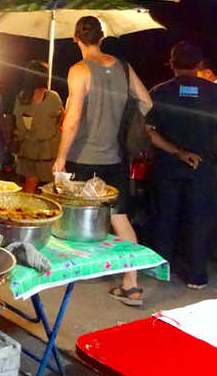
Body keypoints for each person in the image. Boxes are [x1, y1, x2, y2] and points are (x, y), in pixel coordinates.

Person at [52, 16, 152, 307]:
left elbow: (72, 120)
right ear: (102, 37)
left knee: (70, 216)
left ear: (76, 38)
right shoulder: (124, 67)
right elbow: (146, 102)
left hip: (82, 156)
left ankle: (69, 274)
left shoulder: (79, 69)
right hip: (114, 156)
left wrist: (60, 158)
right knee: (120, 217)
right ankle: (131, 285)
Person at [145, 42, 217, 290]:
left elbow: (148, 130)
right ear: (199, 65)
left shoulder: (159, 92)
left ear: (172, 63)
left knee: (165, 216)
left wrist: (177, 151)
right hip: (205, 168)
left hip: (167, 166)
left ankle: (160, 267)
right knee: (200, 220)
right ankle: (196, 275)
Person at [13, 61, 65, 193]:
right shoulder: (52, 97)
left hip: (27, 148)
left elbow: (17, 121)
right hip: (47, 149)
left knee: (30, 183)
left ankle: (25, 212)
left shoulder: (20, 97)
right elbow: (63, 119)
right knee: (54, 187)